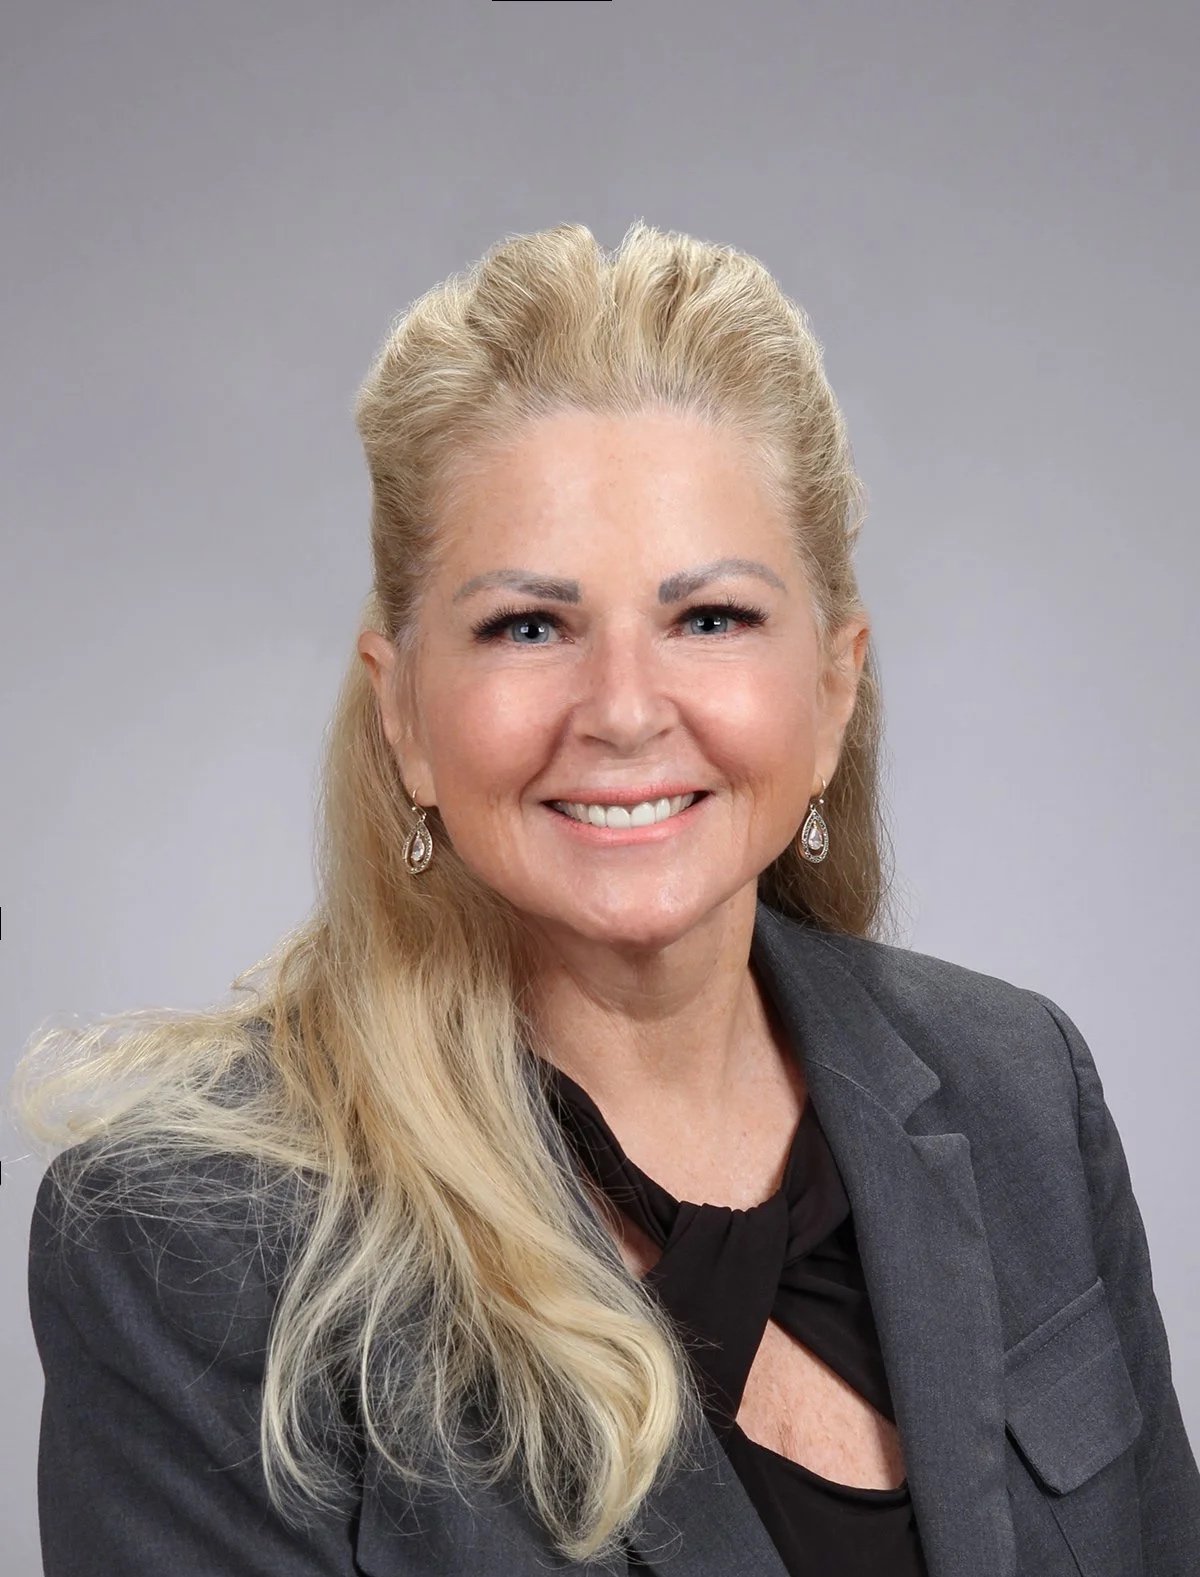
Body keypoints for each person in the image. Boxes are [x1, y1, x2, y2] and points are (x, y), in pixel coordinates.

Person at [16, 220, 1200, 1577]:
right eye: (530, 624)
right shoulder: (193, 1247)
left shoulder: (1016, 1091)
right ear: (402, 707)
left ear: (832, 688)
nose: (627, 710)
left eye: (712, 619)